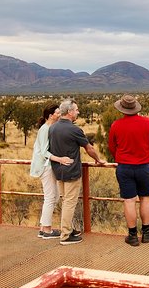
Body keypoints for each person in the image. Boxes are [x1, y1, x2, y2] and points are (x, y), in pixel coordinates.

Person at [49, 99, 104, 245]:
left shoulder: (53, 128)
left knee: (65, 200)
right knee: (69, 202)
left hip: (58, 171)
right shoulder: (74, 130)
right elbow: (89, 148)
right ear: (70, 112)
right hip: (71, 171)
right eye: (77, 110)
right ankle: (66, 235)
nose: (78, 112)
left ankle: (68, 228)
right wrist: (98, 159)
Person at [108, 94, 149, 246]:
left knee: (129, 200)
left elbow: (112, 146)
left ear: (122, 109)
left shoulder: (116, 125)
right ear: (136, 108)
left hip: (124, 167)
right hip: (143, 166)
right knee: (145, 198)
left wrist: (120, 157)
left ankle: (132, 235)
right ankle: (147, 232)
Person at [29, 104, 73, 239]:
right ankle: (47, 230)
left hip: (48, 166)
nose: (60, 115)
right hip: (45, 166)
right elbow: (43, 152)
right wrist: (59, 159)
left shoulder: (50, 128)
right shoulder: (45, 129)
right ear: (50, 116)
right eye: (58, 113)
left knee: (54, 196)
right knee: (50, 197)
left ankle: (43, 227)